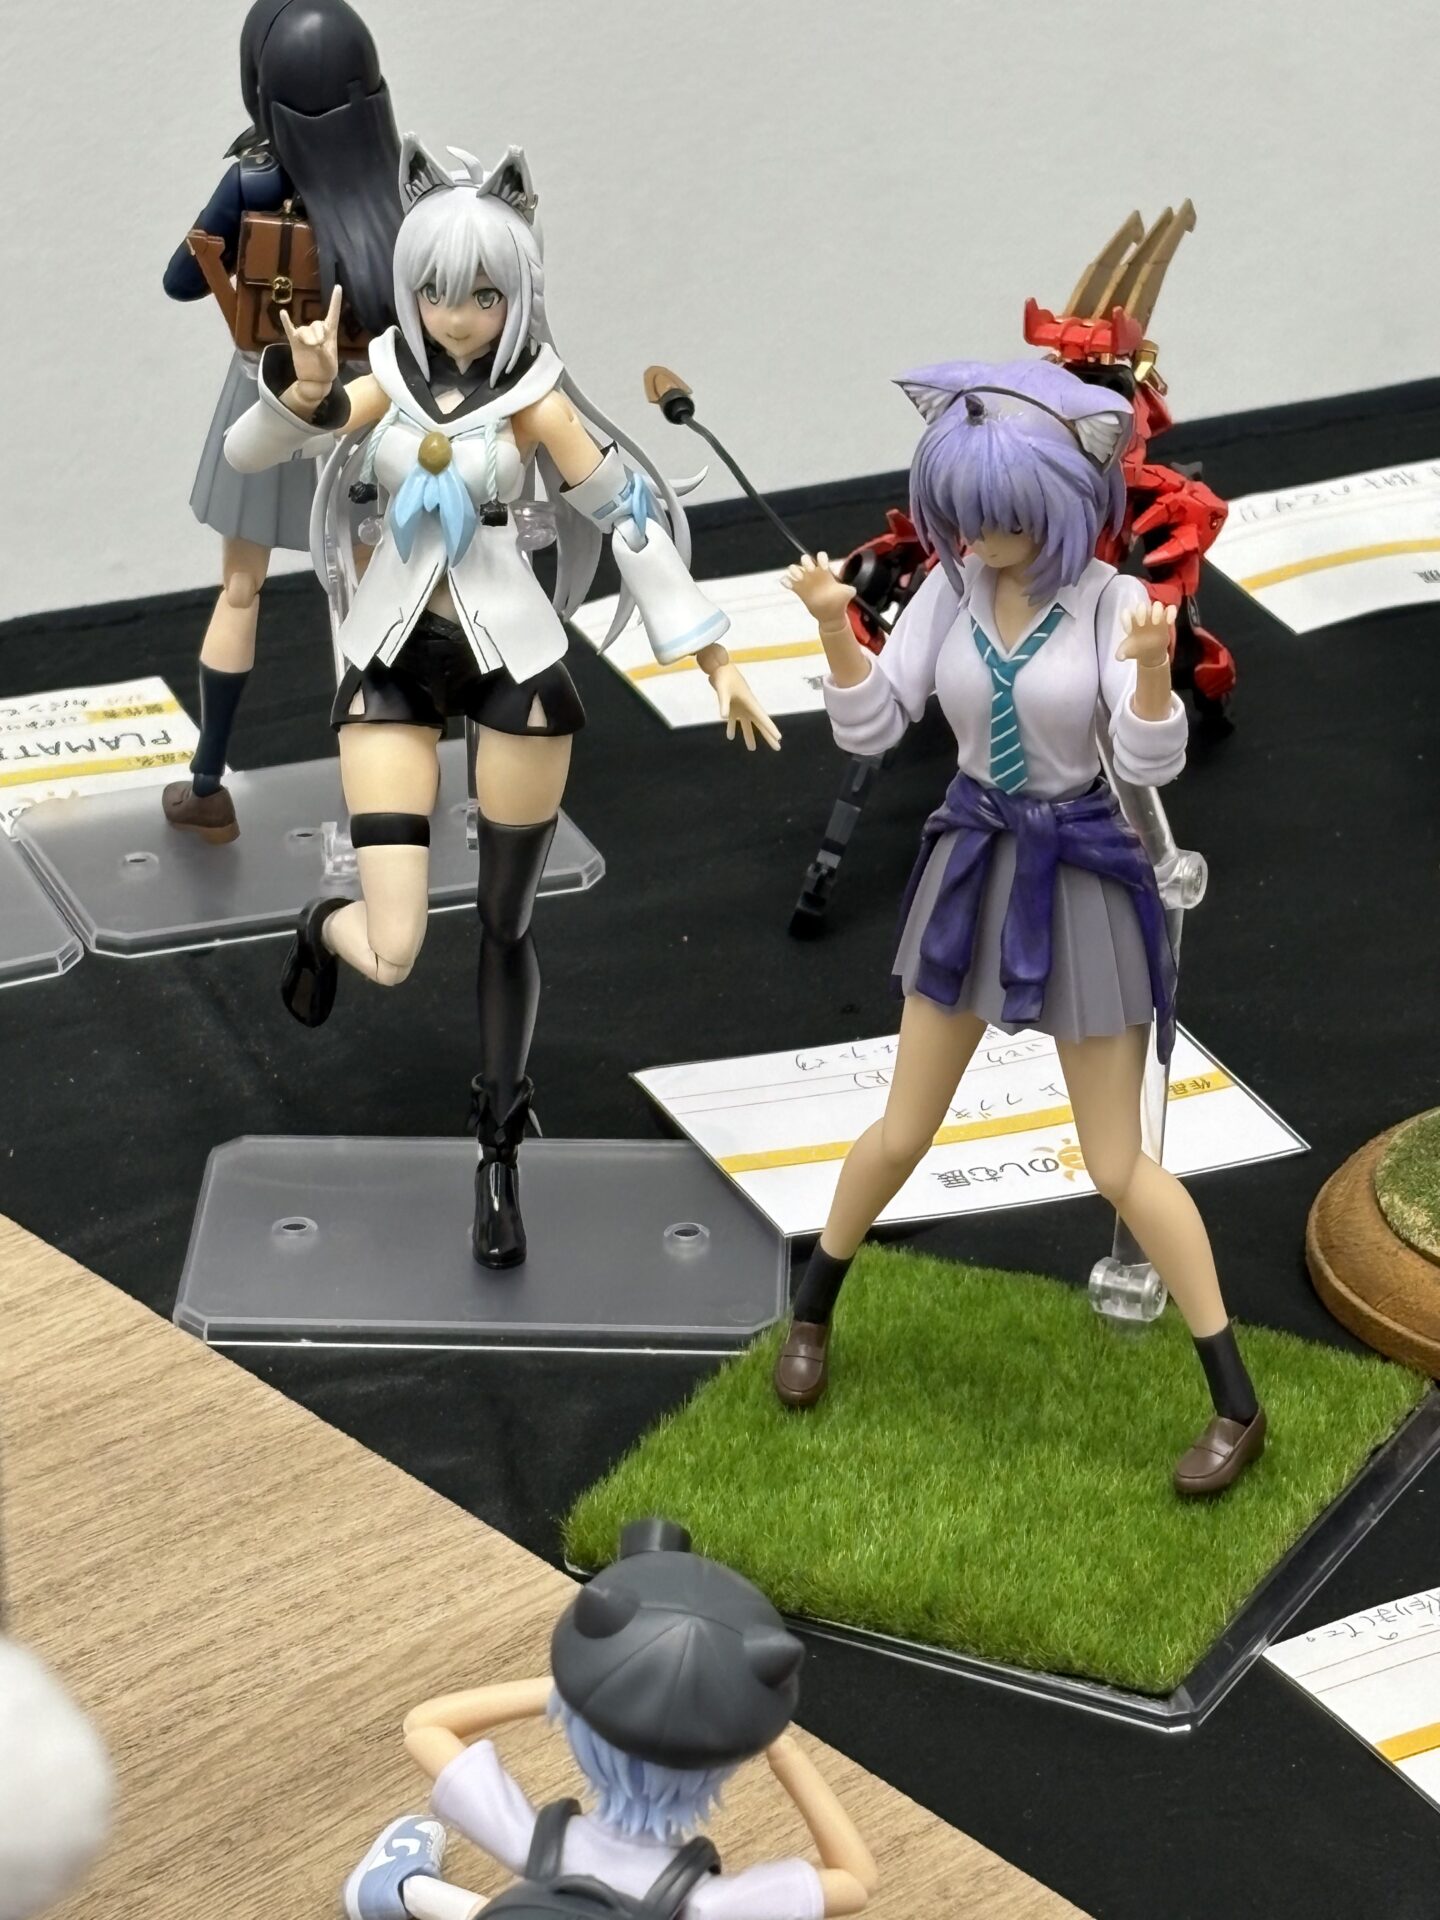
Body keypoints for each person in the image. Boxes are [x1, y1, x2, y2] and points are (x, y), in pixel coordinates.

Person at [224, 135, 780, 1267]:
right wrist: (309, 389)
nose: (459, 316)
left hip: (511, 655)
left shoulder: (535, 400)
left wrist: (711, 654)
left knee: (504, 922)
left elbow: (628, 518)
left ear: (517, 292)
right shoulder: (382, 377)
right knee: (392, 947)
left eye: (482, 295)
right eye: (438, 292)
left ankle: (498, 1144)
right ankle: (322, 927)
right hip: (393, 655)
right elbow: (252, 452)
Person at [773, 358, 1265, 1497]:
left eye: (1000, 516)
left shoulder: (1108, 603)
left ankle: (1236, 1402)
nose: (976, 536)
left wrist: (1154, 674)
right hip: (970, 864)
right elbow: (872, 725)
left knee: (1118, 1163)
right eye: (961, 512)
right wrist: (836, 629)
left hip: (1079, 868)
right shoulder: (948, 593)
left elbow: (1148, 762)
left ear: (1062, 503)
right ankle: (812, 1308)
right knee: (903, 1129)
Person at [345, 1520, 876, 1919]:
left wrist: (572, 1693)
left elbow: (426, 1726)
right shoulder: (707, 1905)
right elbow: (854, 1880)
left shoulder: (539, 1845)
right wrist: (783, 1751)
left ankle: (401, 1890)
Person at [161, 0, 402, 843]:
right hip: (367, 407)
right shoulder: (401, 181)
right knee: (369, 597)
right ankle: (380, 794)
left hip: (266, 395)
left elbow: (180, 280)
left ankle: (207, 785)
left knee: (241, 589)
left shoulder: (254, 180)